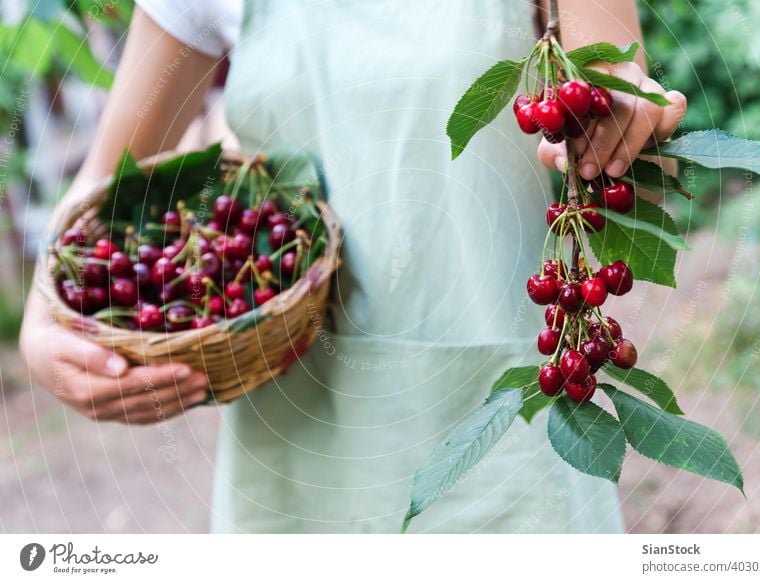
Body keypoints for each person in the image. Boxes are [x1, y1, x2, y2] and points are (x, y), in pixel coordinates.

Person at [20, 0, 686, 533]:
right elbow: (109, 192)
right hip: (294, 449)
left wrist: (630, 129)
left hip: (502, 434)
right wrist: (39, 326)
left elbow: (629, 170)